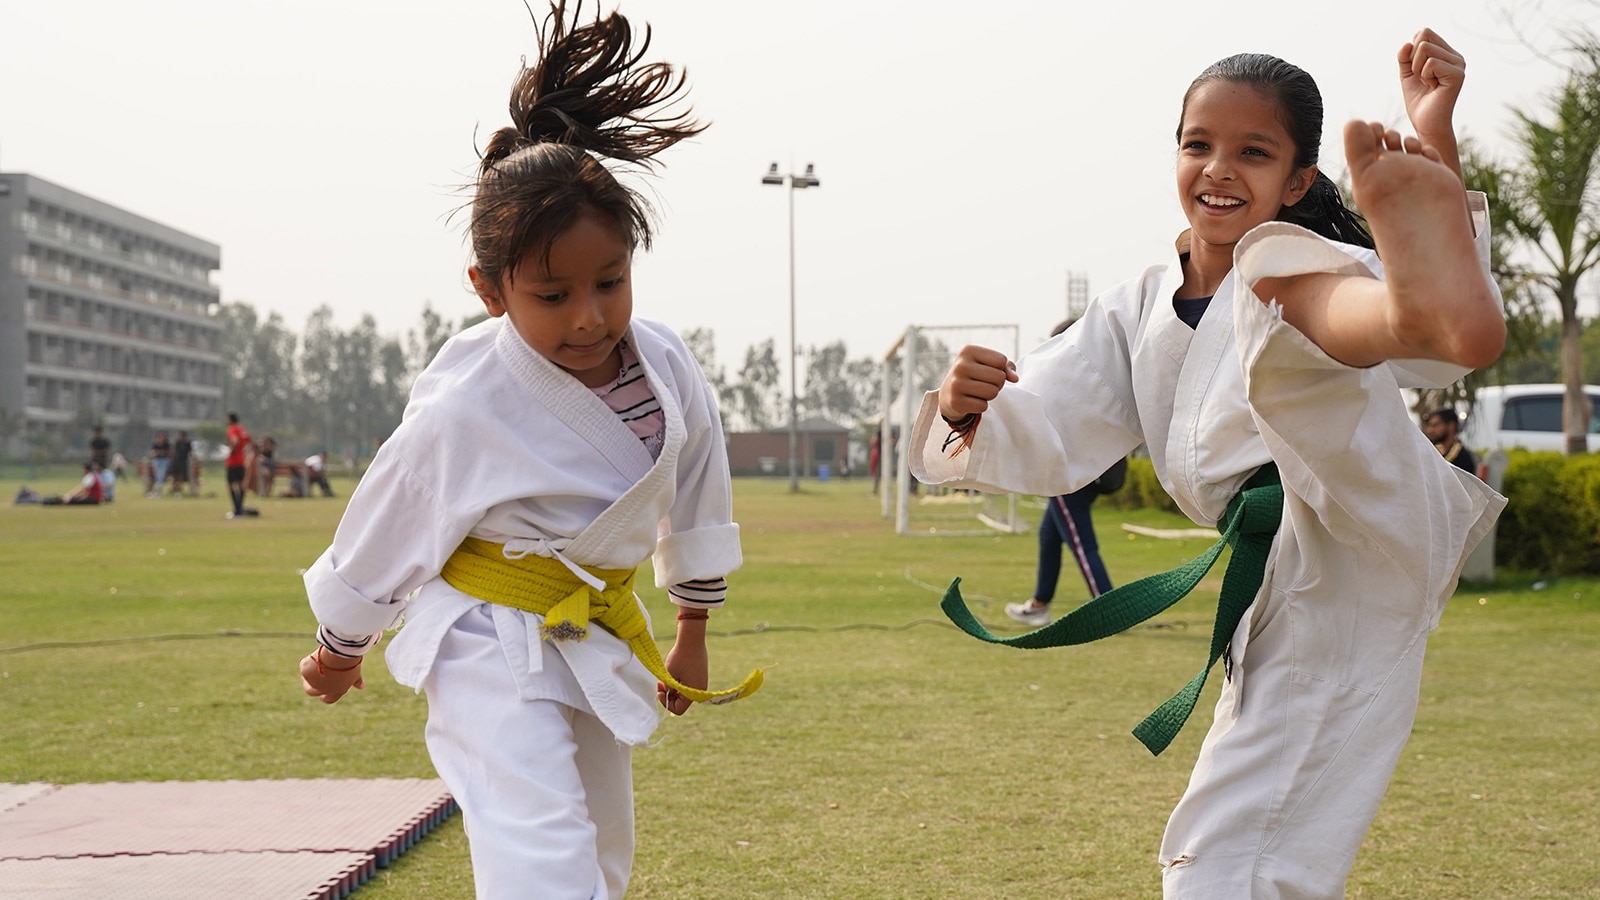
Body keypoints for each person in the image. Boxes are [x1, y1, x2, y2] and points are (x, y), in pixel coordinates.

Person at [912, 30, 1505, 899]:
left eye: (1253, 152)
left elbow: (1438, 364)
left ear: (1298, 181)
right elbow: (1046, 417)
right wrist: (967, 407)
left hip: (1346, 550)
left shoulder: (1289, 261)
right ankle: (1422, 289)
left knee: (1227, 864)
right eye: (1199, 144)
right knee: (1258, 862)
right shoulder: (1142, 303)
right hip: (1283, 586)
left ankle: (1419, 287)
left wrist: (1432, 151)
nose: (1218, 168)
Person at [297, 7, 759, 897]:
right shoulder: (469, 397)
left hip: (591, 632)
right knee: (539, 854)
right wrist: (341, 642)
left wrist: (694, 625)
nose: (588, 315)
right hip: (483, 639)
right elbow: (395, 514)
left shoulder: (663, 364)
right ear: (489, 289)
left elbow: (700, 487)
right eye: (553, 294)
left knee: (600, 852)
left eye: (609, 282)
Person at [1423, 407, 1478, 475]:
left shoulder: (1463, 459)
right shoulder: (1434, 453)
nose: (1430, 430)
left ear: (1451, 426)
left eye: (1435, 425)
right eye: (1429, 426)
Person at [225, 412, 257, 518]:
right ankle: (239, 508)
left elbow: (235, 440)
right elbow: (251, 441)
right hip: (241, 461)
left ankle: (237, 510)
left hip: (233, 461)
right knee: (241, 485)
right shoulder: (242, 429)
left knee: (231, 485)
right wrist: (248, 453)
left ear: (230, 420)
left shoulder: (232, 429)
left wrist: (232, 450)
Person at [167, 430, 193, 497]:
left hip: (183, 462)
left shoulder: (187, 444)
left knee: (181, 477)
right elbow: (173, 452)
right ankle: (174, 489)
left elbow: (190, 452)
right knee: (175, 477)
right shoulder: (177, 443)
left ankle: (179, 489)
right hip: (176, 462)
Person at [148, 431, 171, 498]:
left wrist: (162, 453)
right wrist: (158, 453)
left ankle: (157, 492)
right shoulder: (155, 444)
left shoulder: (166, 445)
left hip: (164, 461)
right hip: (157, 461)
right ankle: (156, 491)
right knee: (157, 476)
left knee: (161, 476)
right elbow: (153, 453)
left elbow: (169, 453)